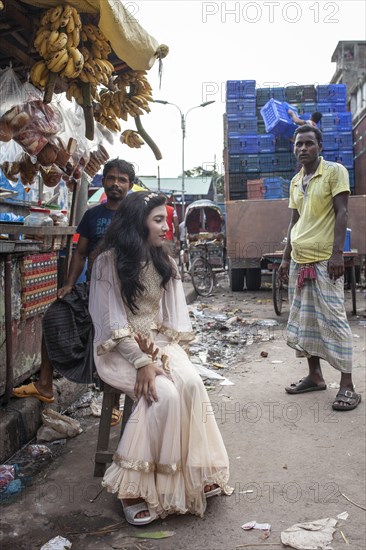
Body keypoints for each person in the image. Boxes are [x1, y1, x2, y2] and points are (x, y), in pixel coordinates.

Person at [88, 191, 231, 526]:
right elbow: (113, 323)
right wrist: (142, 361)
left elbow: (168, 320)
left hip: (159, 343)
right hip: (121, 350)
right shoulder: (107, 263)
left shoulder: (165, 262)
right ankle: (134, 489)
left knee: (192, 384)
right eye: (158, 220)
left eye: (166, 219)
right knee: (162, 395)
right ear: (139, 223)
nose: (167, 226)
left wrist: (164, 355)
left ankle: (193, 472)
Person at [12, 159, 135, 426]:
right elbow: (79, 253)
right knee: (54, 316)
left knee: (111, 343)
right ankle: (45, 385)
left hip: (121, 295)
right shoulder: (92, 215)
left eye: (122, 179)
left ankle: (112, 403)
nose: (115, 183)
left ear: (130, 185)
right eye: (111, 178)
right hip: (92, 289)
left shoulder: (135, 215)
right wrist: (68, 284)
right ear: (103, 181)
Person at [278, 124, 361, 411]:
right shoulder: (295, 181)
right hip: (299, 261)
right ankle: (315, 376)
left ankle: (348, 385)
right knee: (305, 320)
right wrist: (286, 257)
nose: (303, 148)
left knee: (334, 320)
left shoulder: (335, 172)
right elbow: (293, 221)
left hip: (326, 260)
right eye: (298, 144)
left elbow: (342, 212)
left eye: (309, 144)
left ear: (320, 146)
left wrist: (338, 255)